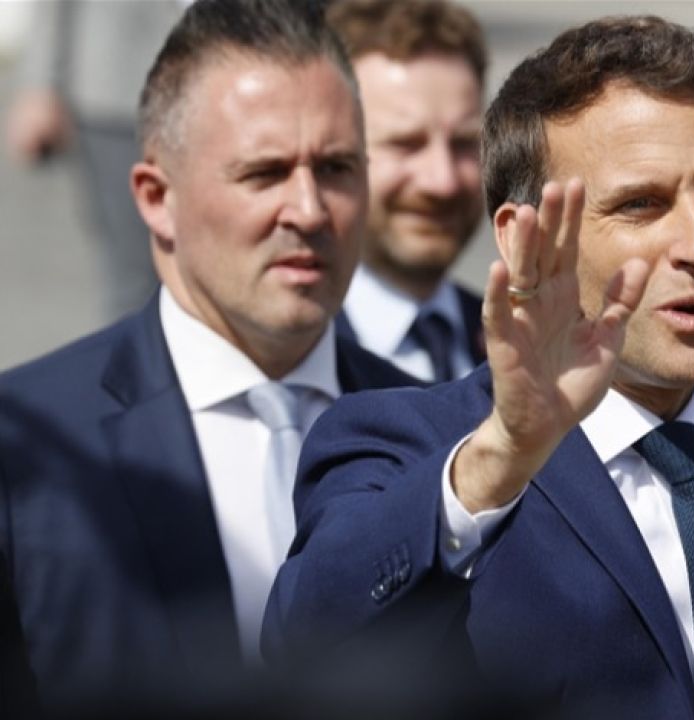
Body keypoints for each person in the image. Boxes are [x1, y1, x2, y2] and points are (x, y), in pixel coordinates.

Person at [265, 15, 694, 720]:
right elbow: (306, 643)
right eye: (641, 205)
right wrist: (502, 456)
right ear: (523, 239)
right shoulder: (413, 448)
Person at [0, 0, 417, 712]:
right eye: (265, 173)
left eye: (337, 167)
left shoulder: (437, 432)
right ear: (156, 198)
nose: (310, 210)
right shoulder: (26, 454)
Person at [327, 0, 489, 383]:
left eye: (464, 143)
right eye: (405, 144)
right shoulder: (295, 363)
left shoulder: (518, 347)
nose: (442, 181)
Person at [4, 0, 182, 319]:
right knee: (138, 276)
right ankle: (134, 352)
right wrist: (39, 84)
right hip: (118, 97)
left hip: (230, 91)